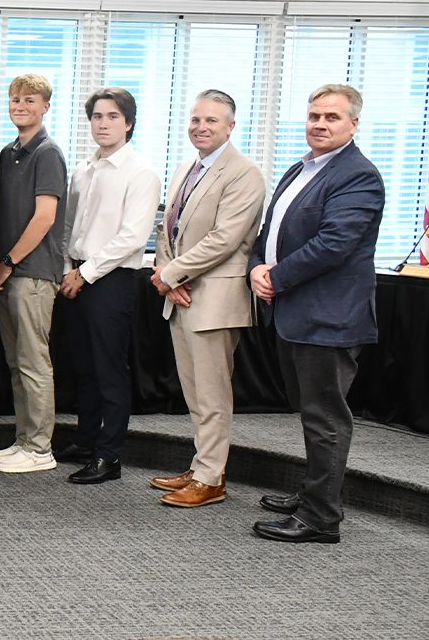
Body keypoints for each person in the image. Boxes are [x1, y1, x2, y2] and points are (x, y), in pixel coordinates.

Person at [249, 85, 384, 544]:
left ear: (353, 125)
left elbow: (335, 244)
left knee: (326, 418)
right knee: (311, 412)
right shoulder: (300, 168)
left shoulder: (358, 175)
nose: (320, 124)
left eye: (331, 117)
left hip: (329, 317)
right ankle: (313, 494)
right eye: (314, 116)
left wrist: (276, 277)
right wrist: (256, 270)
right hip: (294, 311)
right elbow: (270, 232)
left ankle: (321, 518)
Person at [148, 90, 266, 508]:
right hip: (181, 295)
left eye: (212, 121)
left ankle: (212, 477)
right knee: (195, 392)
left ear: (231, 127)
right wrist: (166, 276)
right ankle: (201, 466)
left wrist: (170, 274)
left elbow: (225, 239)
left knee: (213, 396)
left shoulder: (244, 172)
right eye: (196, 119)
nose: (201, 127)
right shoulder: (187, 167)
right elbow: (169, 231)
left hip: (215, 299)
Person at [55, 88, 161, 485]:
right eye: (97, 116)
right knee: (82, 366)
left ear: (129, 122)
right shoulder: (83, 169)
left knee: (109, 370)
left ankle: (109, 455)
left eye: (113, 116)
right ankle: (85, 441)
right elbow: (69, 227)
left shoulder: (141, 172)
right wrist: (69, 267)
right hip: (75, 276)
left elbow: (132, 238)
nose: (103, 123)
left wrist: (85, 273)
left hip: (110, 279)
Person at [0, 74, 67, 475]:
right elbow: (2, 215)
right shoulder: (8, 152)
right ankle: (23, 440)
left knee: (34, 362)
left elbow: (45, 217)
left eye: (29, 100)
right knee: (17, 362)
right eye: (15, 99)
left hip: (33, 273)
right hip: (8, 272)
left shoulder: (47, 153)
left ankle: (40, 448)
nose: (20, 105)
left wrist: (10, 262)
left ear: (45, 107)